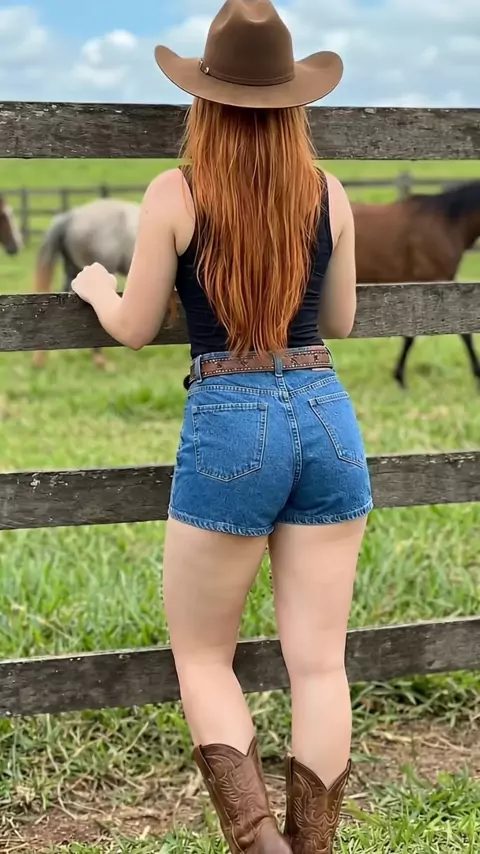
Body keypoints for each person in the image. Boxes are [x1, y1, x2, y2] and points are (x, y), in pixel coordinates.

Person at [71, 1, 373, 851]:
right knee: (320, 663)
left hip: (231, 419)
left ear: (205, 100)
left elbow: (135, 326)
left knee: (204, 657)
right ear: (292, 103)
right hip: (326, 413)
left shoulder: (176, 191)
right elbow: (341, 319)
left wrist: (97, 288)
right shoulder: (327, 191)